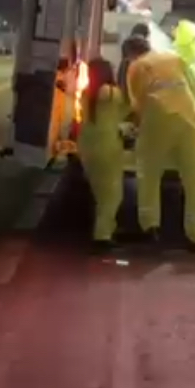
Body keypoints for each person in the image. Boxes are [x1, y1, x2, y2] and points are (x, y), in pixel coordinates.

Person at [122, 35, 195, 252]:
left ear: (130, 54)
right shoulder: (173, 58)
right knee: (193, 182)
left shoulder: (136, 67)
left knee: (148, 173)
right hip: (189, 120)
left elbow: (137, 103)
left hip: (158, 120)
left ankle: (150, 226)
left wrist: (134, 126)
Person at [77, 57, 132, 253]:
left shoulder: (86, 93)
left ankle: (108, 228)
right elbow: (128, 109)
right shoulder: (111, 93)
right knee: (112, 194)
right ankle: (102, 236)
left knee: (100, 193)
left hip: (87, 145)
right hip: (107, 146)